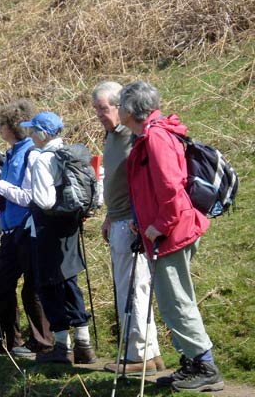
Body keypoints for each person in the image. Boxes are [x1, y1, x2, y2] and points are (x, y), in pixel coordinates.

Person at [119, 81, 224, 392]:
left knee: (176, 300)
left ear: (130, 109)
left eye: (122, 102)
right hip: (166, 232)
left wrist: (160, 226)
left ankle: (204, 365)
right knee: (172, 299)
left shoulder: (155, 138)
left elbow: (171, 189)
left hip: (172, 233)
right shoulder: (149, 136)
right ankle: (193, 362)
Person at [92, 82, 165, 376]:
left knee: (133, 289)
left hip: (132, 224)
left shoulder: (132, 137)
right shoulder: (113, 136)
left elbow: (140, 179)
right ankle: (151, 353)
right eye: (95, 108)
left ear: (120, 106)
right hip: (120, 219)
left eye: (104, 107)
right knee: (132, 288)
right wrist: (110, 214)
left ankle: (139, 355)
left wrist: (137, 215)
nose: (98, 113)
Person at [20, 111, 96, 365]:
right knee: (69, 282)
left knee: (49, 285)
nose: (30, 134)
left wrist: (28, 197)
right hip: (70, 228)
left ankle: (63, 347)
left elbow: (45, 201)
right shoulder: (71, 155)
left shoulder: (43, 160)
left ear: (42, 134)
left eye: (32, 130)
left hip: (47, 231)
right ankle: (84, 345)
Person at [0, 99, 53, 357]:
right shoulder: (12, 153)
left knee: (31, 289)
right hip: (10, 229)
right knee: (2, 285)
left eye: (2, 123)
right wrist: (0, 195)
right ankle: (10, 341)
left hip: (26, 228)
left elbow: (27, 196)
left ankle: (43, 343)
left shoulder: (29, 153)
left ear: (13, 125)